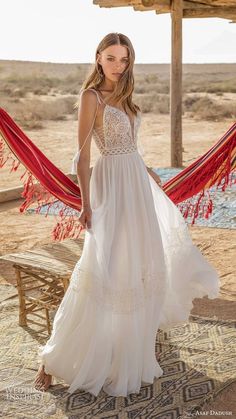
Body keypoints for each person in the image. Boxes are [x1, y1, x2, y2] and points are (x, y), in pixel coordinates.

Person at [34, 32, 220, 397]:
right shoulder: (91, 97)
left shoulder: (126, 97)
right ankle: (53, 359)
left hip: (136, 186)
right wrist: (86, 204)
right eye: (112, 58)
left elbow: (128, 148)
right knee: (103, 268)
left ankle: (126, 350)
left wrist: (147, 173)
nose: (119, 66)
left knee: (139, 267)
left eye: (125, 59)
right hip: (110, 191)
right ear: (99, 57)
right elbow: (83, 156)